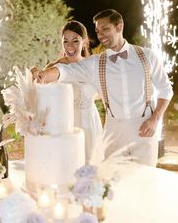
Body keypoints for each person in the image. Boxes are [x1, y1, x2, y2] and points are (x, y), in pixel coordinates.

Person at [34, 9, 173, 167]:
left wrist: (154, 120)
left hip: (144, 127)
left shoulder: (147, 56)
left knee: (144, 180)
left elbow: (165, 89)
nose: (101, 35)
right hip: (112, 130)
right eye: (98, 31)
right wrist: (43, 75)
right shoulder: (95, 63)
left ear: (119, 26)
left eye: (105, 29)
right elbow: (66, 70)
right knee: (112, 182)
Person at [32, 20, 104, 164]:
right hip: (66, 124)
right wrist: (34, 71)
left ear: (84, 42)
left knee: (92, 165)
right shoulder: (55, 67)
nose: (69, 46)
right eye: (65, 41)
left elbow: (101, 93)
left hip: (91, 121)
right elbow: (39, 87)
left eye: (75, 41)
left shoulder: (92, 65)